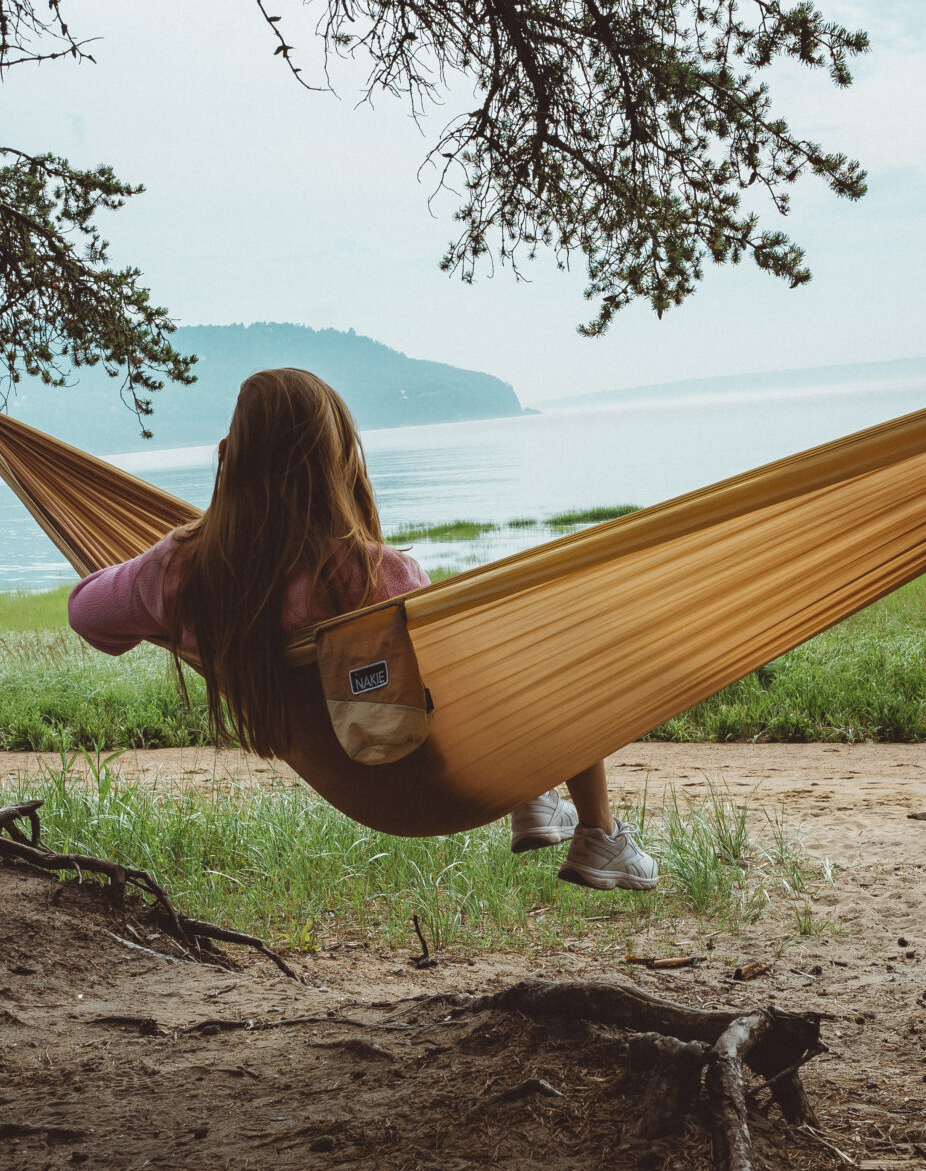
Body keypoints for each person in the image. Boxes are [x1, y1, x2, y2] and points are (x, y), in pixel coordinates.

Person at [67, 367, 657, 889]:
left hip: (358, 785)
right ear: (336, 459)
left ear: (232, 453)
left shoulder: (180, 573)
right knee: (568, 651)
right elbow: (462, 675)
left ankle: (534, 796)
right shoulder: (380, 573)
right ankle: (595, 831)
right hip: (442, 773)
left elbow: (87, 614)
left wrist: (185, 615)